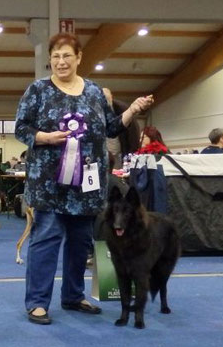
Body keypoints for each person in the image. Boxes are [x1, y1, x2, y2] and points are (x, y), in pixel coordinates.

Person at [14, 32, 153, 325]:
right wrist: (44, 137)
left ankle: (73, 296)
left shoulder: (93, 91)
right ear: (49, 59)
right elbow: (21, 128)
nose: (61, 61)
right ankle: (37, 302)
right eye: (55, 56)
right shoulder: (38, 90)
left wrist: (131, 111)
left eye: (67, 56)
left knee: (80, 243)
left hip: (87, 183)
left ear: (79, 58)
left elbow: (111, 128)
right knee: (47, 239)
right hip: (49, 182)